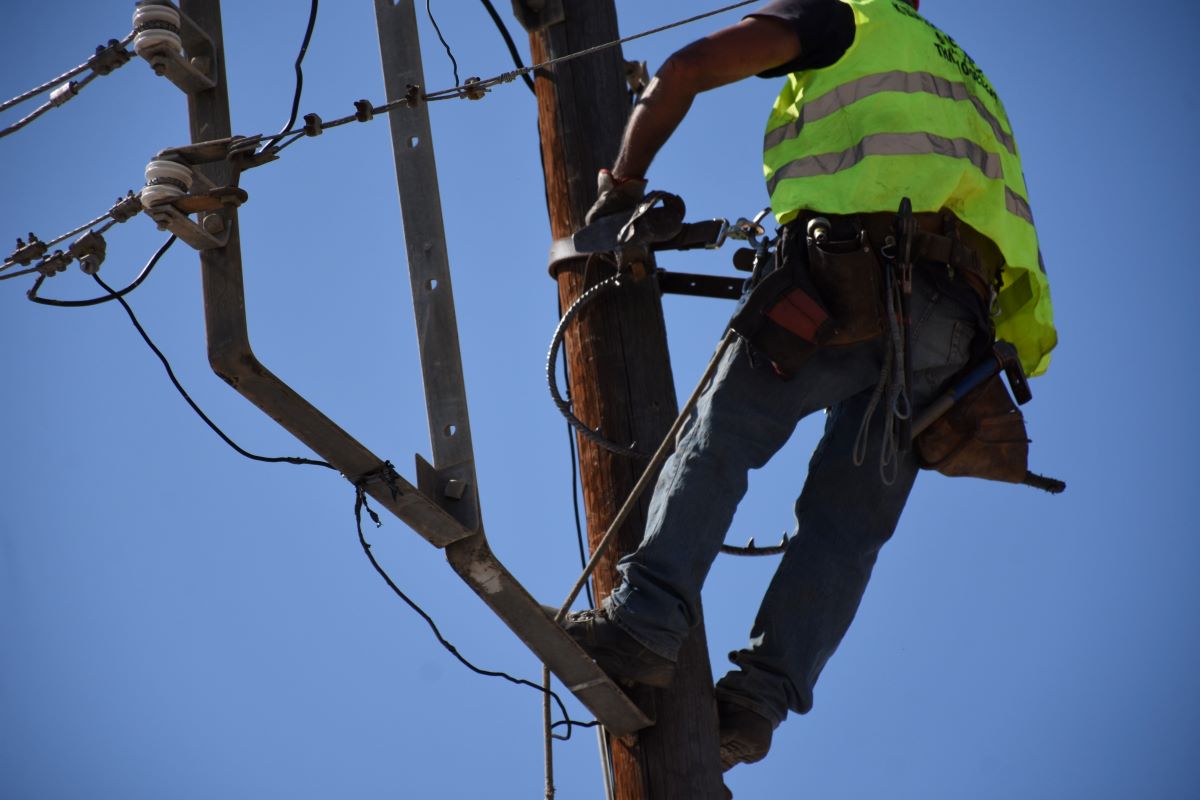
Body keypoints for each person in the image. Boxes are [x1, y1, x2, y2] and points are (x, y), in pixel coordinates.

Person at [562, 0, 1056, 774]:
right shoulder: (968, 76)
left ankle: (645, 624)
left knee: (721, 437)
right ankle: (757, 705)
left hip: (845, 282)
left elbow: (687, 69)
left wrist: (620, 183)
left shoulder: (842, 19)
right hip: (954, 333)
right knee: (847, 526)